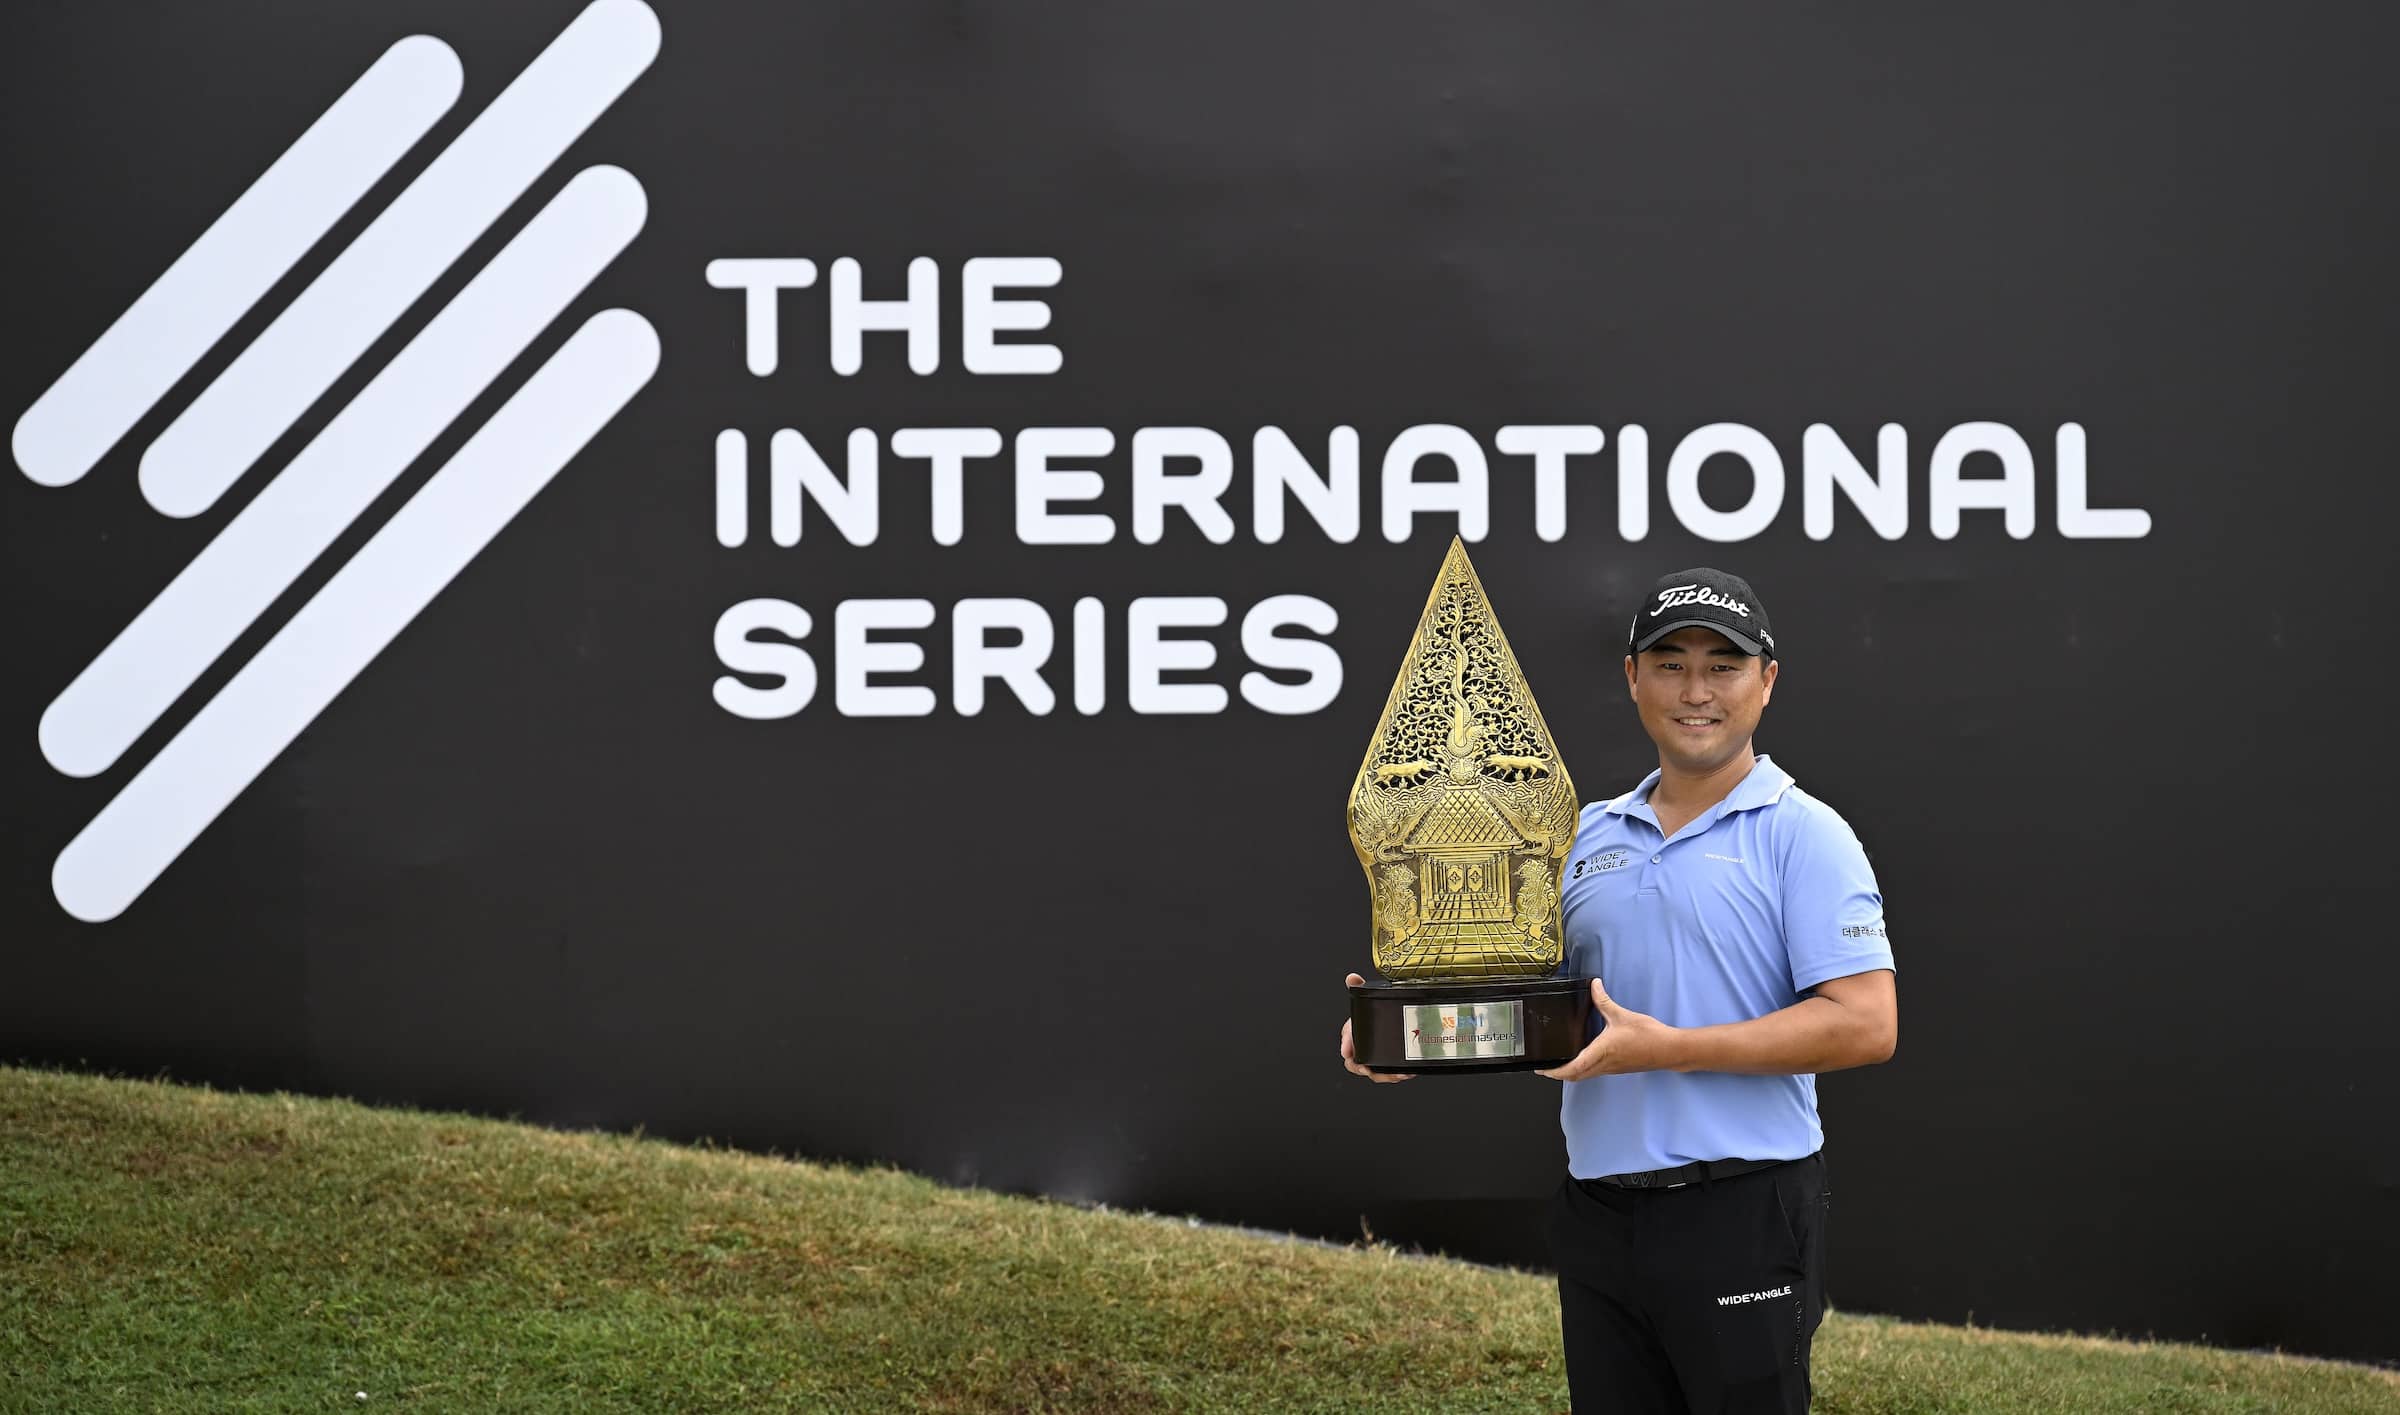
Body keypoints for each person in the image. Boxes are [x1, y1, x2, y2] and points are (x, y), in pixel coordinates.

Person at [1340, 566, 1898, 1414]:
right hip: (1598, 1213)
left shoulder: (1805, 833)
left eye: (1724, 664)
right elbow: (1527, 993)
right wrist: (1414, 1024)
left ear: (1767, 680)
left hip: (1742, 1209)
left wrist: (1667, 1049)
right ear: (1633, 677)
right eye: (1670, 663)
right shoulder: (1579, 835)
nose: (1696, 690)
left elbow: (1865, 1024)